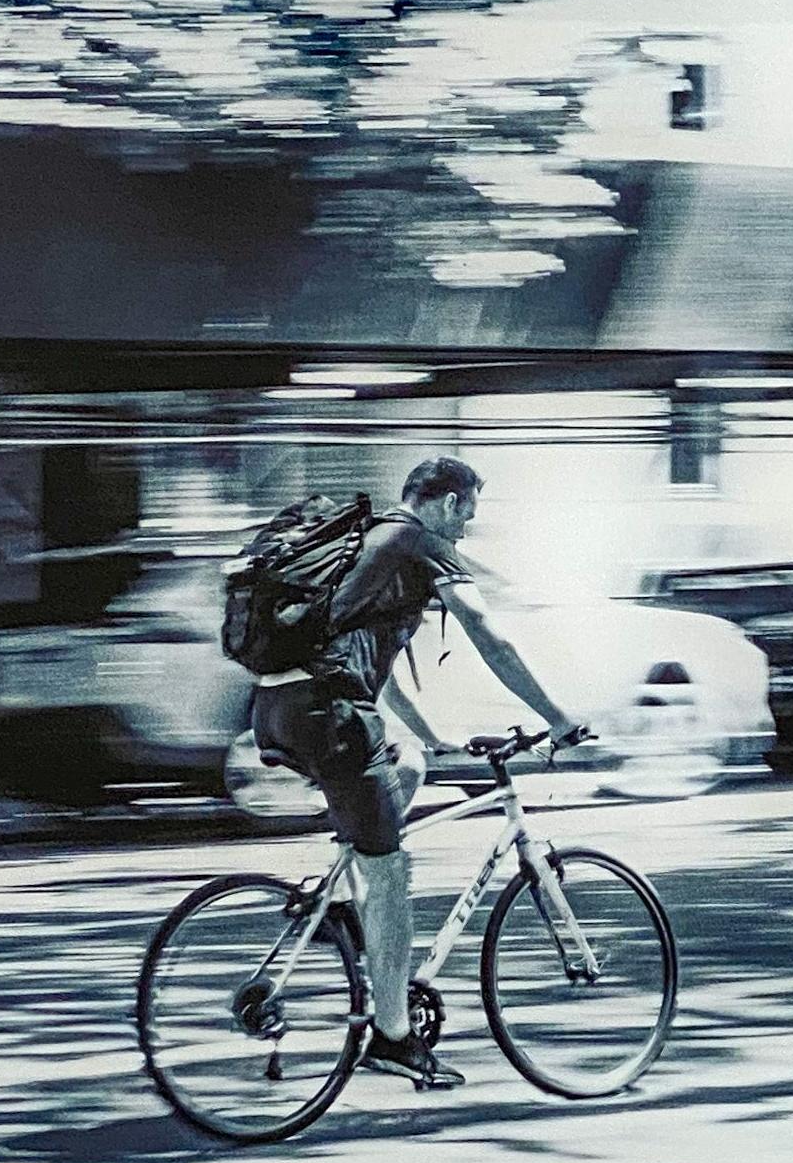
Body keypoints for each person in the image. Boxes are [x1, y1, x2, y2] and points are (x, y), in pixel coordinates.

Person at [250, 456, 586, 1088]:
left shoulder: (370, 542)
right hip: (328, 713)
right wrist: (557, 716)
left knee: (408, 762)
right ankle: (393, 1037)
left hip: (278, 706)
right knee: (393, 872)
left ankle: (338, 906)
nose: (464, 532)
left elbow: (370, 666)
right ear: (446, 502)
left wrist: (435, 737)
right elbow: (488, 634)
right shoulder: (418, 542)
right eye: (466, 516)